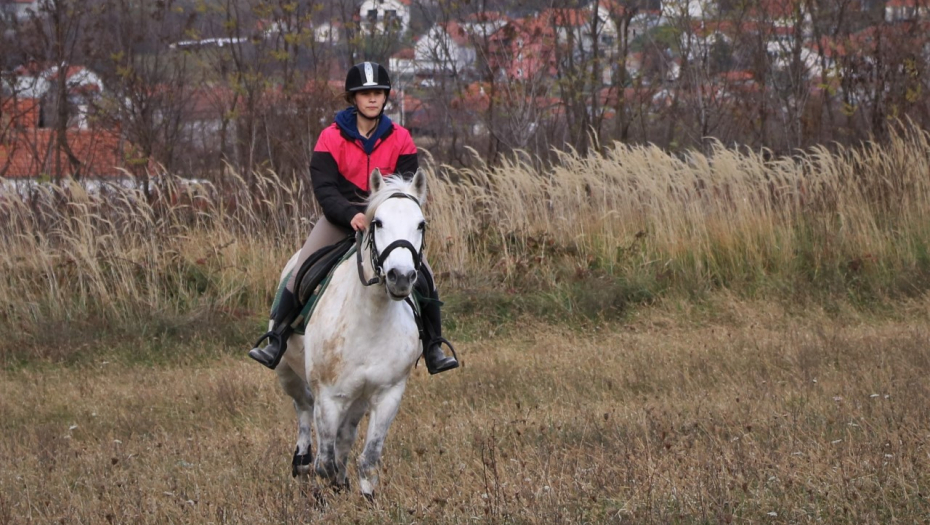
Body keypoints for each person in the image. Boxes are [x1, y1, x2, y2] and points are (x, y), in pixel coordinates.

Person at [248, 61, 459, 375]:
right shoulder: (330, 138)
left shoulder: (401, 138)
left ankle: (433, 347)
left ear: (385, 96)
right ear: (353, 99)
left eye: (378, 93)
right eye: (365, 94)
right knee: (302, 269)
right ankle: (276, 338)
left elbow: (405, 191)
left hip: (387, 225)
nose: (372, 99)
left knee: (424, 275)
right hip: (339, 219)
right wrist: (351, 214)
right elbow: (325, 188)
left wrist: (382, 216)